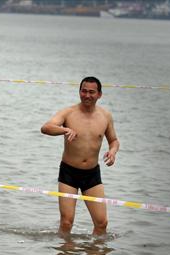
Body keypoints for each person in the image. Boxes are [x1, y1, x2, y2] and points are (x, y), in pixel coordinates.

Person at [41, 76, 120, 236]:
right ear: (79, 92)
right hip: (69, 173)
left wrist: (112, 151)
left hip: (92, 174)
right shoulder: (69, 112)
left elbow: (114, 140)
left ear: (99, 95)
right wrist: (65, 130)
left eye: (91, 92)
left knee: (102, 223)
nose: (87, 95)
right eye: (84, 91)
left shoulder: (105, 116)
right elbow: (46, 127)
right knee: (66, 222)